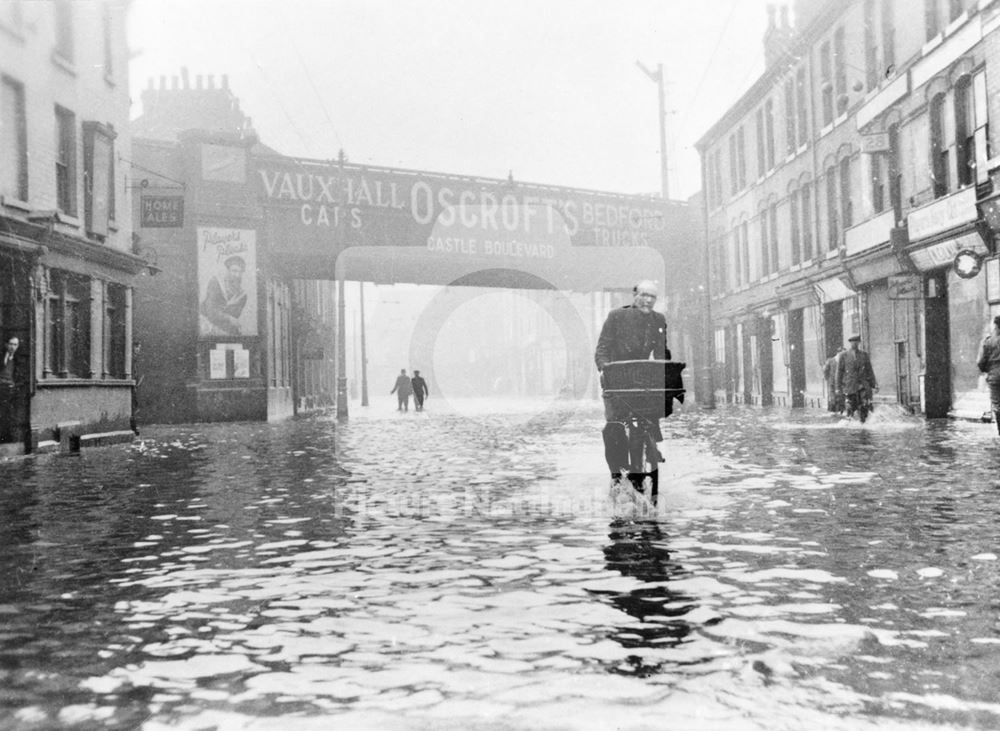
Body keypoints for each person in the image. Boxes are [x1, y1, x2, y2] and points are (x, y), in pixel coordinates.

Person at [594, 280, 672, 487]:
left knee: (650, 409)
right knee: (614, 426)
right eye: (644, 295)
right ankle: (616, 474)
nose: (648, 300)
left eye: (652, 297)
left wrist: (666, 371)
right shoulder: (617, 316)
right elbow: (602, 347)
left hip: (642, 377)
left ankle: (652, 444)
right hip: (616, 378)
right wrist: (605, 367)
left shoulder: (658, 320)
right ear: (634, 296)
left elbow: (661, 352)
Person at [201, 255, 248, 335]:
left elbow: (234, 316)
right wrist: (229, 317)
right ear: (228, 271)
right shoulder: (216, 283)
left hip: (223, 326)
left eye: (240, 272)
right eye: (234, 271)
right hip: (207, 322)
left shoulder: (242, 295)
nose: (237, 275)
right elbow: (211, 312)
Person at [836, 334, 877, 423]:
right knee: (851, 407)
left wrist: (874, 384)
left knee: (864, 404)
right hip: (850, 385)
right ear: (850, 343)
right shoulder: (844, 355)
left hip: (863, 384)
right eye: (852, 342)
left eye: (856, 342)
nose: (854, 344)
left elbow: (869, 370)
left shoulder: (864, 355)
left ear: (859, 342)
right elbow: (839, 372)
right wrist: (838, 387)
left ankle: (863, 423)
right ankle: (851, 424)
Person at [977, 315, 1000, 436]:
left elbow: (980, 362)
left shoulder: (988, 341)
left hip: (995, 376)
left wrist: (987, 370)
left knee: (997, 404)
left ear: (995, 326)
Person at [0, 336, 20, 442]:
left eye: (15, 345)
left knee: (8, 414)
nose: (12, 347)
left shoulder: (18, 360)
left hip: (10, 390)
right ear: (6, 345)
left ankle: (7, 438)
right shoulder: (1, 356)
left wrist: (14, 385)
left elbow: (20, 376)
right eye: (11, 344)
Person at [823, 347, 845, 414]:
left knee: (841, 397)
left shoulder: (843, 361)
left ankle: (841, 411)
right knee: (833, 398)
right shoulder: (830, 361)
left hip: (841, 382)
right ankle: (833, 412)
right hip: (832, 382)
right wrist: (828, 378)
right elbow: (825, 370)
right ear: (838, 353)